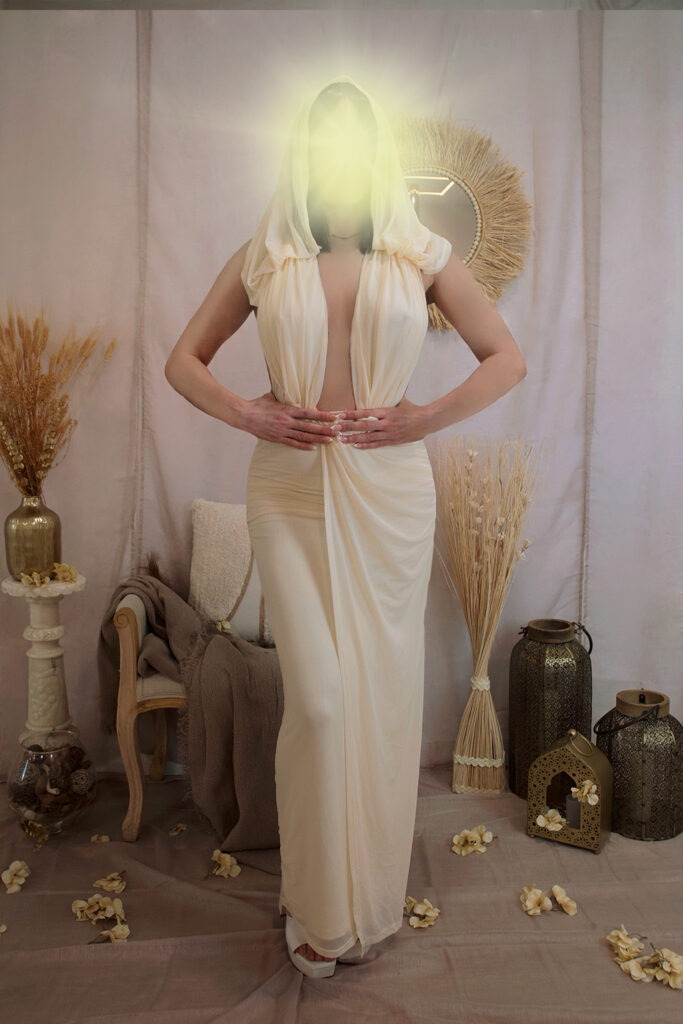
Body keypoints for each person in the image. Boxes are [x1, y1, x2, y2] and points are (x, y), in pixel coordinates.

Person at [165, 74, 526, 978]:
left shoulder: (417, 251)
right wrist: (248, 413)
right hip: (286, 490)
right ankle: (314, 900)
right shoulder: (266, 253)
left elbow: (504, 358)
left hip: (388, 496)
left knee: (378, 702)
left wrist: (421, 418)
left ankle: (356, 903)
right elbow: (183, 361)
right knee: (321, 700)